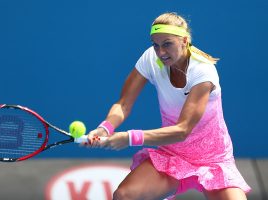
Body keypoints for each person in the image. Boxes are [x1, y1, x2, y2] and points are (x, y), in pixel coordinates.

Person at [84, 12, 251, 200]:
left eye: (167, 44)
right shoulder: (150, 59)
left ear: (184, 41)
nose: (160, 52)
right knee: (124, 195)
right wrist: (105, 128)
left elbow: (182, 130)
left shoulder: (203, 71)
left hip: (213, 158)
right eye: (155, 45)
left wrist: (129, 137)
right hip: (173, 154)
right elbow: (123, 104)